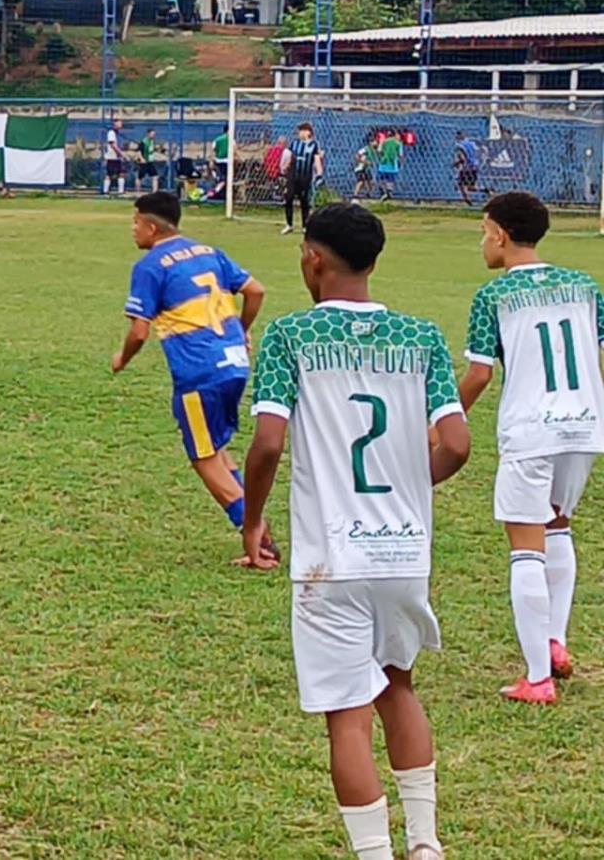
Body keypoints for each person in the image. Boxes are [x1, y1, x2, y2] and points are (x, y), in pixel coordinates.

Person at [239, 203, 467, 860]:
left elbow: (268, 443)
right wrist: (409, 486)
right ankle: (425, 842)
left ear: (313, 259)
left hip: (331, 558)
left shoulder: (290, 336)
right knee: (399, 684)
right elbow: (456, 443)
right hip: (402, 551)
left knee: (347, 716)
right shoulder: (421, 337)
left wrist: (252, 519)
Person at [458, 192, 604, 703]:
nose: (482, 242)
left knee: (526, 545)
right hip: (584, 425)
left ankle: (538, 677)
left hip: (531, 430)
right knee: (558, 523)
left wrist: (444, 420)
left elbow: (479, 374)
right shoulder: (585, 286)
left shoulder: (493, 296)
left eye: (483, 232)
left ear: (499, 234)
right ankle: (555, 641)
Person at [113, 191, 273, 561]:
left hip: (198, 373)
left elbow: (139, 332)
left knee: (202, 457)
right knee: (215, 449)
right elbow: (255, 290)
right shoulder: (208, 252)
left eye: (135, 222)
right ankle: (256, 524)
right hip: (234, 364)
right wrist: (242, 329)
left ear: (152, 227)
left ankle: (258, 537)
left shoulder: (150, 266)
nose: (133, 229)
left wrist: (122, 359)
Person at [279, 122, 322, 235]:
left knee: (304, 201)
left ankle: (305, 226)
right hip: (293, 176)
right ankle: (289, 224)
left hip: (305, 177)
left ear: (308, 132)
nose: (299, 133)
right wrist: (284, 168)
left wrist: (319, 174)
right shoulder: (295, 143)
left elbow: (317, 160)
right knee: (288, 198)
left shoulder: (314, 145)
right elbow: (289, 156)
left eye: (301, 131)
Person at [376, 124, 405, 200]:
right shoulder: (398, 143)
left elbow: (379, 151)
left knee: (380, 179)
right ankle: (389, 192)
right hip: (393, 165)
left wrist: (382, 155)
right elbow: (400, 155)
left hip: (383, 164)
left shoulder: (383, 142)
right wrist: (401, 161)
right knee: (391, 180)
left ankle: (382, 192)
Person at [102, 119, 128, 196]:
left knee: (121, 173)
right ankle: (105, 192)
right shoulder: (111, 133)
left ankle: (120, 191)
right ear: (115, 124)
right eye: (119, 123)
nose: (121, 125)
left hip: (117, 158)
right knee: (109, 174)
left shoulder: (118, 134)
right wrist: (121, 154)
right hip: (111, 157)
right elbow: (113, 145)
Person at [454, 131, 480, 206]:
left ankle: (469, 202)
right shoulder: (472, 143)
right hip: (474, 166)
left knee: (461, 185)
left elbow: (462, 158)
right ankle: (486, 190)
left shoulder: (459, 145)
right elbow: (480, 151)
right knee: (472, 187)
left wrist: (456, 163)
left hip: (466, 167)